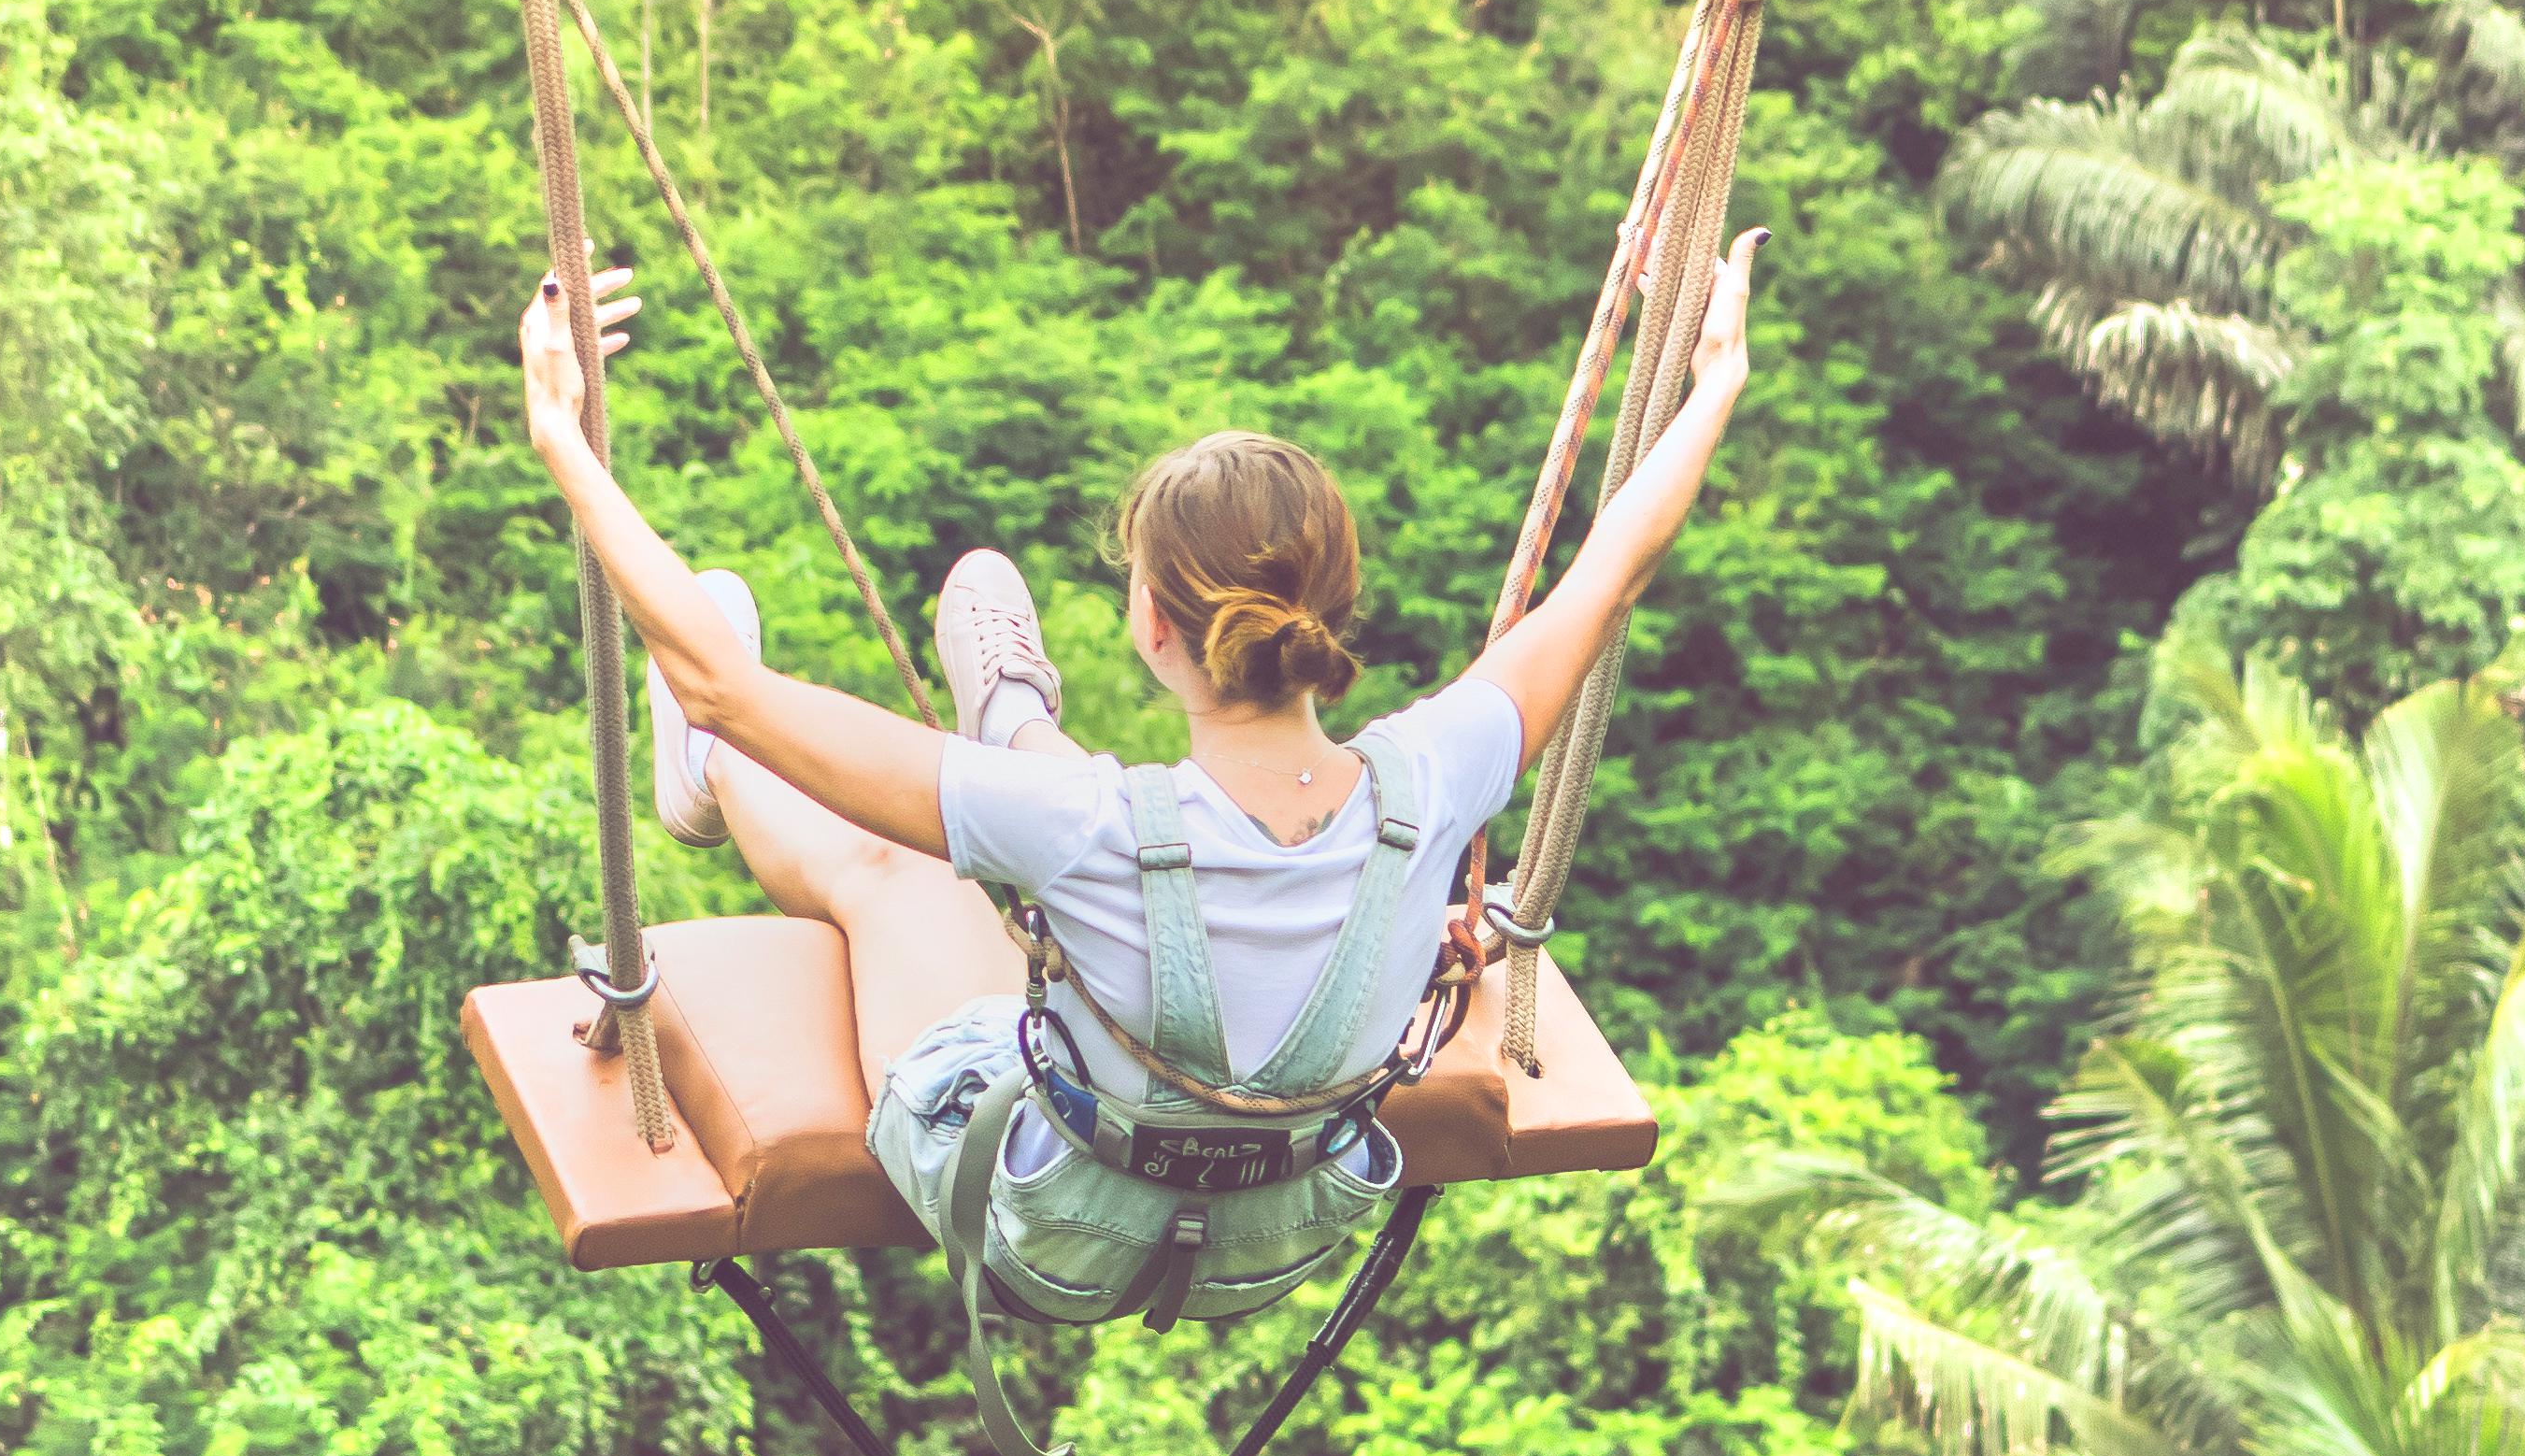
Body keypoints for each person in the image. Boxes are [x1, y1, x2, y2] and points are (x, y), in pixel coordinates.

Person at [511, 231, 1763, 1310]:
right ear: (1329, 611)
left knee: (899, 871)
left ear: (1155, 628)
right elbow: (1611, 570)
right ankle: (1010, 713)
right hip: (1278, 1236)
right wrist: (1710, 383)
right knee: (1038, 824)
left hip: (1051, 1232)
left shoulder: (1078, 828)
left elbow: (722, 681)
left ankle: (726, 776)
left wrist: (562, 436)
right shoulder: (1439, 774)